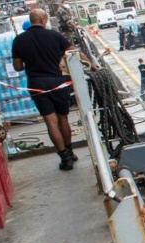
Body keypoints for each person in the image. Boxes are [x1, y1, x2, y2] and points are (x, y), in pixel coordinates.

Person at [11, 9, 89, 170]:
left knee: (50, 122)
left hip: (36, 84)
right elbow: (73, 52)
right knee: (63, 119)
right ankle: (70, 152)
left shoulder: (18, 40)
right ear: (44, 19)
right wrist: (92, 64)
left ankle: (65, 158)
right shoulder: (54, 35)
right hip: (57, 82)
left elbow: (18, 67)